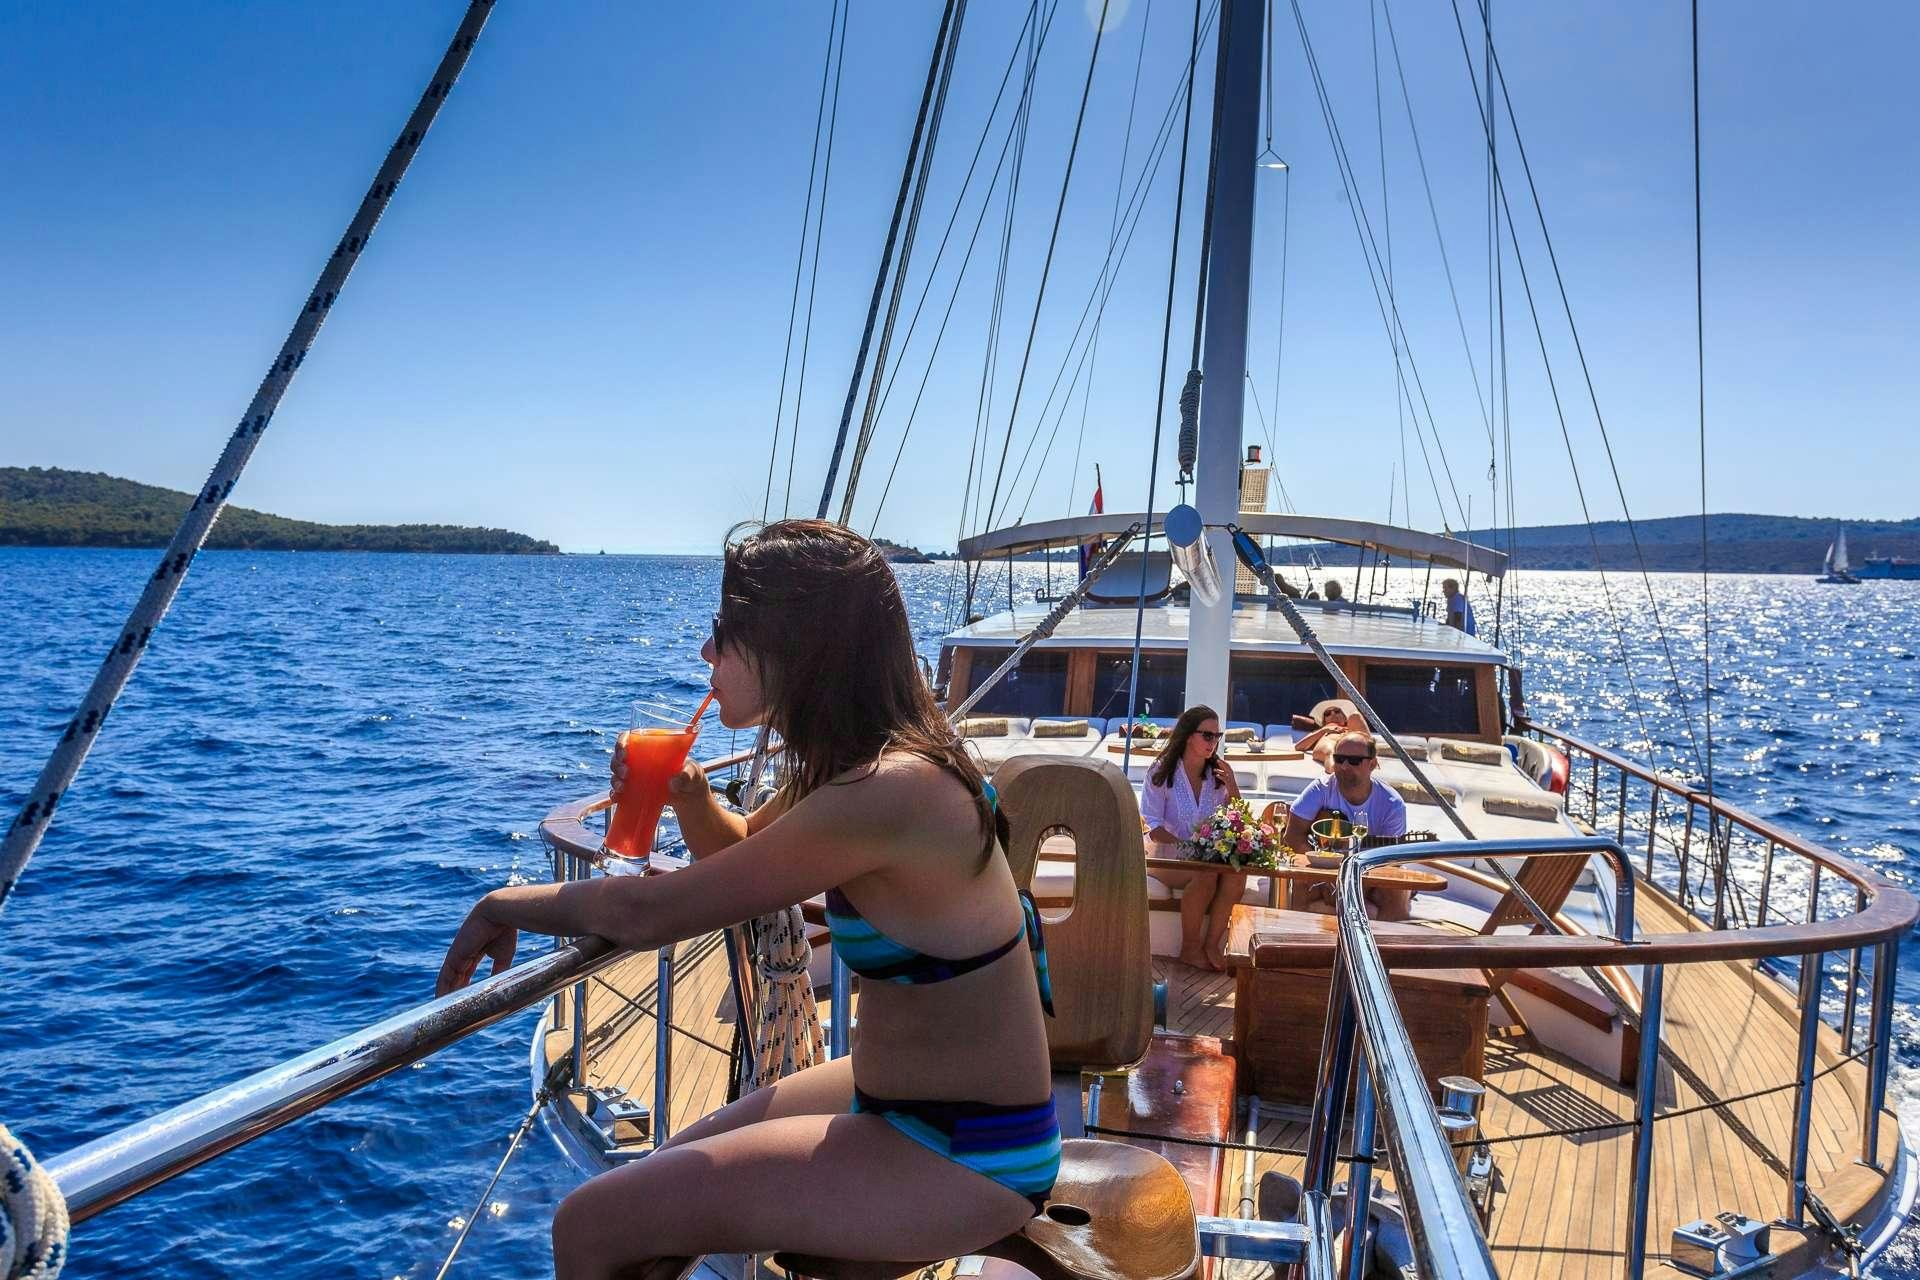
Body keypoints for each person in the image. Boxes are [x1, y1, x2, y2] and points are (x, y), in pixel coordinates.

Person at [436, 520, 1058, 1278]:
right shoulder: (857, 767)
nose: (706, 654)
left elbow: (646, 915)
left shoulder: (889, 791)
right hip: (901, 1097)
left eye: (725, 633)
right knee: (656, 1188)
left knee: (591, 1225)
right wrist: (690, 796)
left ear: (799, 645)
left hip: (968, 1148)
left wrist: (503, 902)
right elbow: (740, 856)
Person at [1139, 705, 1246, 971]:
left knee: (1237, 873)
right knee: (1205, 874)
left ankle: (1211, 944)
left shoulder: (1218, 774)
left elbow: (1237, 819)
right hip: (1164, 854)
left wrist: (1232, 786)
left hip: (1206, 856)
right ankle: (1189, 948)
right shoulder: (1161, 771)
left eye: (1217, 736)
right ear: (1188, 736)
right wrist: (1187, 847)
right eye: (1207, 735)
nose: (1213, 742)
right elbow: (1153, 826)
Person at [1283, 731, 1410, 919]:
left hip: (1368, 871)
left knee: (1396, 892)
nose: (1344, 766)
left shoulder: (1392, 804)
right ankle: (1290, 944)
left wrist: (1348, 885)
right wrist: (1324, 874)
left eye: (1354, 761)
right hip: (1322, 867)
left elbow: (1389, 861)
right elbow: (1292, 837)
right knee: (1297, 885)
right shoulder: (1321, 788)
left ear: (1372, 764)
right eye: (1339, 759)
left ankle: (1387, 948)